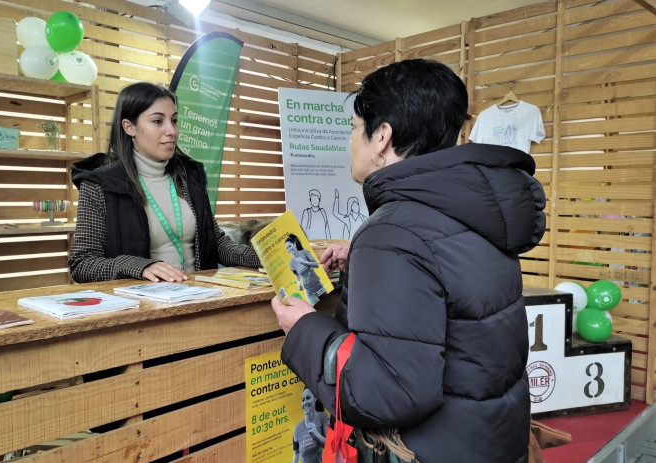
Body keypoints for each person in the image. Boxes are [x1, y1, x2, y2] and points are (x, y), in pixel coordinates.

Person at [271, 59, 546, 462]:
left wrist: (304, 329)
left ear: (381, 136)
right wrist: (371, 263)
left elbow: (386, 393)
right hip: (488, 441)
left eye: (353, 128)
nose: (350, 141)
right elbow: (449, 281)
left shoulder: (394, 232)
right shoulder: (473, 211)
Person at [68, 82, 261, 283]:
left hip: (200, 297)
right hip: (141, 307)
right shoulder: (98, 185)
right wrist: (140, 266)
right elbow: (82, 264)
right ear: (129, 127)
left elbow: (216, 244)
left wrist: (267, 256)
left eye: (174, 120)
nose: (172, 130)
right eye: (158, 121)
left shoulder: (191, 176)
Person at [285, 234, 326, 305]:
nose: (289, 249)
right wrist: (298, 283)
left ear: (294, 244)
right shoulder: (291, 263)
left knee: (328, 305)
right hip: (308, 291)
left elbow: (316, 265)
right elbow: (296, 274)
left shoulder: (305, 252)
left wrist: (305, 262)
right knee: (315, 311)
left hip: (318, 286)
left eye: (289, 246)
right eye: (287, 248)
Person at [292, 387, 328, 463]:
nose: (305, 402)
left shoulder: (323, 417)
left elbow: (329, 446)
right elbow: (296, 453)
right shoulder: (297, 428)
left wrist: (316, 434)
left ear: (315, 398)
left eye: (308, 398)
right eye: (303, 400)